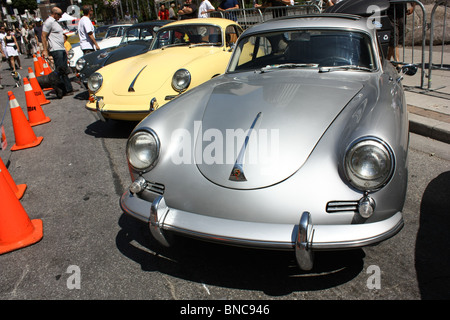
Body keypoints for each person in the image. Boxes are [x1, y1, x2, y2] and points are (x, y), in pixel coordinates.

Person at [42, 7, 74, 96]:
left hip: (61, 49)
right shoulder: (49, 22)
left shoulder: (55, 22)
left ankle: (68, 88)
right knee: (60, 71)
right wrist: (45, 50)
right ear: (55, 14)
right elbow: (43, 36)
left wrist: (64, 49)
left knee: (65, 70)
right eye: (59, 15)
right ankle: (63, 90)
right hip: (56, 49)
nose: (60, 17)